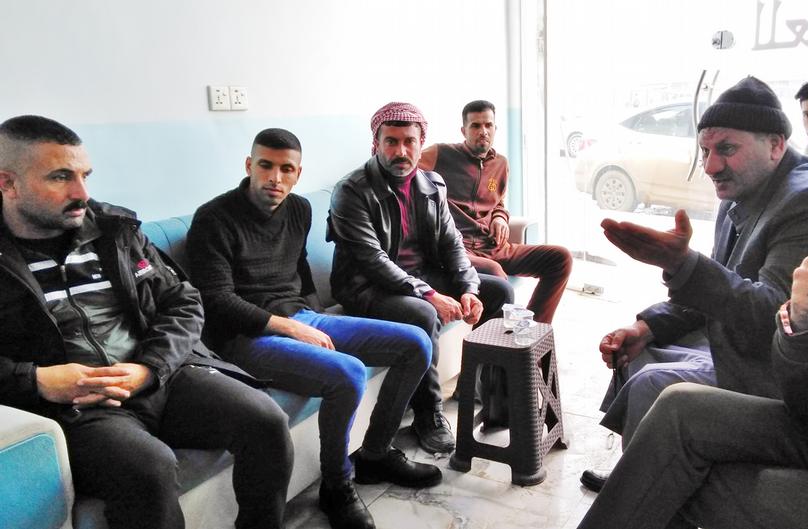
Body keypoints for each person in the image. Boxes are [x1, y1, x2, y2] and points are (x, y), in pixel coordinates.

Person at [576, 108, 808, 529]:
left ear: (776, 146)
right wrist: (800, 327)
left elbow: (758, 313)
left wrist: (688, 268)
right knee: (675, 405)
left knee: (671, 477)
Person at [0, 115, 293, 529]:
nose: (81, 193)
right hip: (78, 405)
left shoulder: (115, 232)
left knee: (265, 421)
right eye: (60, 177)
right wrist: (37, 380)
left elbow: (184, 300)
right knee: (149, 467)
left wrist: (150, 368)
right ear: (7, 183)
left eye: (85, 175)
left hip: (155, 373)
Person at [580, 77, 808, 492]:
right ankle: (645, 471)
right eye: (706, 151)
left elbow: (776, 319)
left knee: (651, 382)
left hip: (795, 389)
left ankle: (651, 487)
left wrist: (684, 264)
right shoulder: (743, 190)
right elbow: (719, 282)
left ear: (775, 145)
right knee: (636, 352)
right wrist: (646, 327)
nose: (711, 166)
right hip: (748, 352)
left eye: (726, 149)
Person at [186, 128, 440, 529]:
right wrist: (288, 326)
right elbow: (216, 301)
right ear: (249, 165)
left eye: (287, 169)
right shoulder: (214, 219)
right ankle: (337, 485)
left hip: (302, 317)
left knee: (416, 342)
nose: (275, 178)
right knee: (348, 372)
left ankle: (374, 454)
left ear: (298, 174)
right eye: (266, 166)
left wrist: (315, 317)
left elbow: (299, 271)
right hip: (245, 337)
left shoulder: (299, 210)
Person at [328, 102, 514, 454]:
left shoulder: (431, 185)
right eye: (391, 142)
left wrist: (468, 288)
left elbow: (451, 244)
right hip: (367, 286)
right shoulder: (352, 191)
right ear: (376, 144)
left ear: (421, 142)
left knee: (499, 292)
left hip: (420, 279)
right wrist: (429, 294)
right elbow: (372, 260)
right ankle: (428, 413)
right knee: (423, 313)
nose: (401, 151)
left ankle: (492, 398)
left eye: (409, 142)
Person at [418, 99, 572, 324]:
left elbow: (498, 202)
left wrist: (500, 217)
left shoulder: (500, 163)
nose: (483, 131)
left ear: (495, 129)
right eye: (476, 126)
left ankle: (533, 329)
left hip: (495, 245)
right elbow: (405, 165)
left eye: (488, 125)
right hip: (461, 249)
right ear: (464, 130)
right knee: (495, 272)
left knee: (560, 259)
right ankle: (498, 345)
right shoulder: (441, 154)